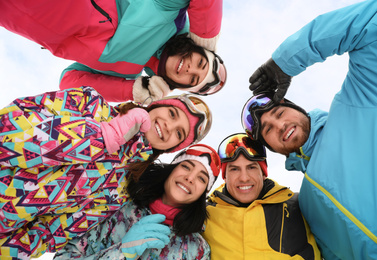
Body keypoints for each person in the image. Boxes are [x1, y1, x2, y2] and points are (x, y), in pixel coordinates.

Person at [243, 0, 377, 258]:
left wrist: (284, 62)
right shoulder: (306, 203)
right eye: (268, 131)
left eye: (278, 113)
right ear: (273, 149)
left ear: (297, 108)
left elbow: (376, 20)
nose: (280, 126)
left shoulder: (361, 100)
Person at [0, 86, 212, 259]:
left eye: (178, 133)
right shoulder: (90, 105)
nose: (168, 126)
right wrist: (102, 136)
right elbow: (7, 132)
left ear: (173, 147)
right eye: (172, 114)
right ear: (158, 105)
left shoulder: (124, 188)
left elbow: (49, 233)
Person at [0, 0, 227, 103]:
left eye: (193, 78)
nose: (189, 68)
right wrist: (205, 33)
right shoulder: (171, 12)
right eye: (201, 62)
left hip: (17, 15)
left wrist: (131, 90)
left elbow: (69, 81)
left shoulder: (127, 74)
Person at [53, 143, 221, 260]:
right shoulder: (115, 209)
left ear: (202, 194)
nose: (190, 178)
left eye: (201, 178)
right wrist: (122, 252)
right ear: (171, 170)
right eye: (186, 166)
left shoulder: (197, 249)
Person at [201, 133, 321, 260]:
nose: (244, 178)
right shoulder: (204, 215)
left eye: (251, 167)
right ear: (225, 177)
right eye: (234, 169)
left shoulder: (298, 206)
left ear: (263, 173)